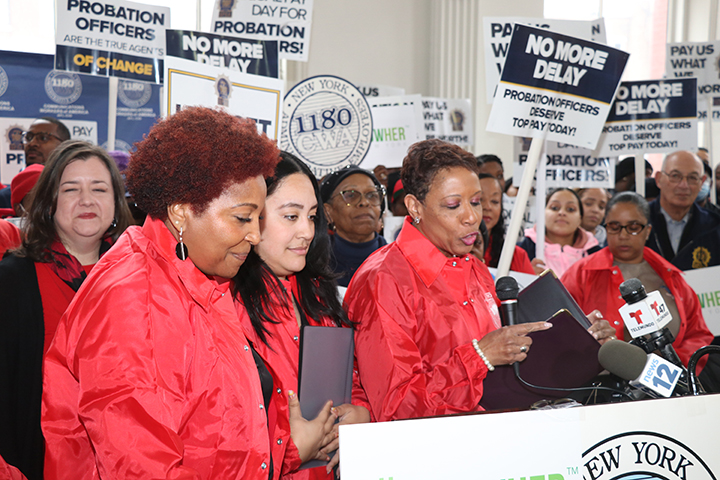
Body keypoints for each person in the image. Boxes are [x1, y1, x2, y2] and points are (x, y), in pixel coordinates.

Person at [42, 108, 335, 479]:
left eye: (259, 218)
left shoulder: (197, 275)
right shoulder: (132, 300)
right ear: (181, 213)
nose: (254, 235)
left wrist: (288, 451)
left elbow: (221, 431)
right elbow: (142, 468)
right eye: (243, 218)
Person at [344, 139, 599, 422]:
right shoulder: (383, 280)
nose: (472, 217)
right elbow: (396, 406)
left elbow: (506, 370)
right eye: (453, 205)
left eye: (476, 201)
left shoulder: (474, 267)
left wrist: (573, 339)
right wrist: (479, 356)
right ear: (414, 207)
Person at [235, 152, 371, 478]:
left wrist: (361, 413)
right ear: (250, 216)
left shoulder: (318, 291)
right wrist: (289, 445)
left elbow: (350, 378)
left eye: (311, 217)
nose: (307, 231)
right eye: (291, 216)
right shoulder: (223, 301)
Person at [0, 141, 130, 480]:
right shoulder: (12, 281)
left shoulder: (138, 280)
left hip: (123, 462)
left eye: (99, 189)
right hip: (35, 462)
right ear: (49, 203)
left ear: (116, 203)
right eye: (71, 189)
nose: (86, 200)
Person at [561, 192, 713, 369]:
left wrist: (675, 368)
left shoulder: (672, 276)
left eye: (633, 227)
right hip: (601, 380)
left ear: (647, 231)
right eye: (614, 227)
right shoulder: (580, 274)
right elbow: (560, 330)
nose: (623, 235)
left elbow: (698, 335)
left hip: (671, 380)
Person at [646, 150, 720, 268]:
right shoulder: (638, 222)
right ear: (658, 179)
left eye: (692, 178)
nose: (684, 185)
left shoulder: (714, 226)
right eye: (675, 176)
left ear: (702, 183)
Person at [321, 165, 387, 287]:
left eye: (372, 195)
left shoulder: (400, 262)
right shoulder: (313, 266)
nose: (364, 202)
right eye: (351, 195)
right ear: (328, 212)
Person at [518, 188, 600, 277]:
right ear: (542, 214)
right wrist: (526, 277)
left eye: (570, 209)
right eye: (554, 208)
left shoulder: (596, 255)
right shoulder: (520, 252)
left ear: (580, 218)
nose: (562, 213)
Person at [0, 117, 70, 209]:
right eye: (29, 137)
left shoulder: (76, 195)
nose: (32, 143)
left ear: (64, 146)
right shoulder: (4, 199)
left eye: (43, 138)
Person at [477, 173, 534, 274]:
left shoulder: (515, 255)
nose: (488, 207)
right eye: (480, 200)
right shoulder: (450, 251)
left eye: (495, 201)